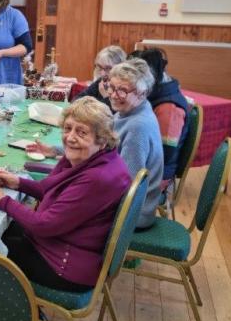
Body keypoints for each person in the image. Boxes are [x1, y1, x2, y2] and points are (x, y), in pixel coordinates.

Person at [0, 97, 131, 293]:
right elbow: (51, 190)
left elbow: (44, 225)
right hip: (65, 243)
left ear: (102, 140)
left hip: (64, 265)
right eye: (67, 128)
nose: (70, 138)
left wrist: (1, 199)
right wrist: (18, 183)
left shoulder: (97, 178)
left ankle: (12, 309)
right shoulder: (96, 159)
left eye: (82, 132)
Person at [107, 59, 164, 229]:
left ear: (142, 93)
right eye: (111, 87)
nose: (113, 95)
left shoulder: (137, 127)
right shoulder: (129, 111)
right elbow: (101, 144)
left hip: (132, 214)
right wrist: (58, 150)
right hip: (125, 203)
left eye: (122, 90)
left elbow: (125, 184)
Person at [131, 48, 189, 183]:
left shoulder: (169, 109)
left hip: (156, 176)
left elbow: (164, 155)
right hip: (143, 164)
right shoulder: (155, 94)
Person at [75, 45, 126, 109]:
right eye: (100, 67)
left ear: (120, 68)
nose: (102, 74)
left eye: (108, 68)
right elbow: (76, 101)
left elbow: (111, 113)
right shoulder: (102, 81)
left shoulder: (124, 88)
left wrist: (106, 97)